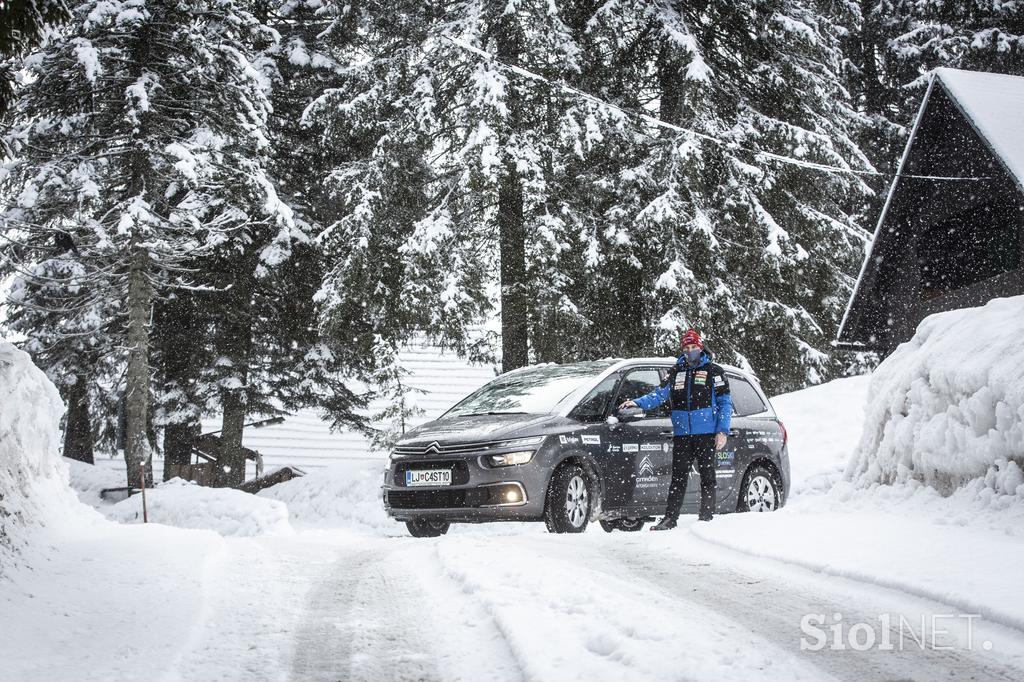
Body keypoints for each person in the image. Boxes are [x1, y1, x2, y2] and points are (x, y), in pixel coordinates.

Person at [618, 329, 732, 529]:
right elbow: (659, 395)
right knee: (678, 478)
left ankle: (706, 518)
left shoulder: (714, 371)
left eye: (693, 347)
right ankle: (670, 519)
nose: (690, 351)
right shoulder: (676, 371)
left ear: (700, 347)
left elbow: (725, 403)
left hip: (706, 433)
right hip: (682, 434)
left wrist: (722, 431)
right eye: (686, 348)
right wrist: (636, 403)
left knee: (707, 476)